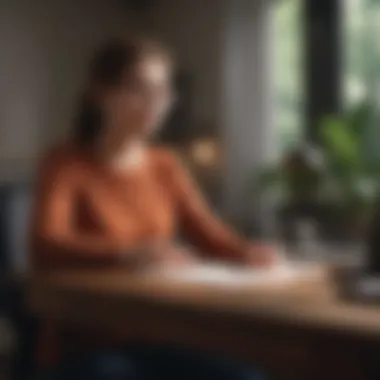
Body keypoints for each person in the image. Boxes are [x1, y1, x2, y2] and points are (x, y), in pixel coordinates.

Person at [30, 35, 276, 379]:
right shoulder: (64, 163)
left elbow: (206, 232)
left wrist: (246, 251)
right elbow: (46, 245)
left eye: (163, 91)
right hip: (89, 342)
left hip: (166, 333)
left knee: (247, 376)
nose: (153, 103)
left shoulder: (166, 163)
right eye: (138, 89)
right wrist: (131, 253)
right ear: (100, 93)